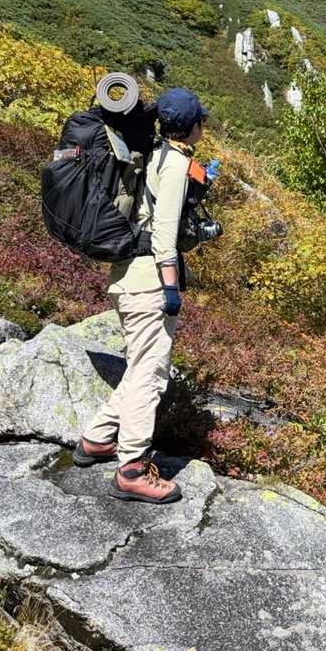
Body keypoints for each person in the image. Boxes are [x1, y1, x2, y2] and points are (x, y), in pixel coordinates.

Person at [73, 86, 208, 503]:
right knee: (150, 375)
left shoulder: (153, 153)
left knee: (139, 367)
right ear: (193, 126)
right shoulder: (175, 164)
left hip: (128, 276)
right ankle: (131, 468)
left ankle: (96, 439)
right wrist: (170, 285)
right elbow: (164, 232)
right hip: (149, 283)